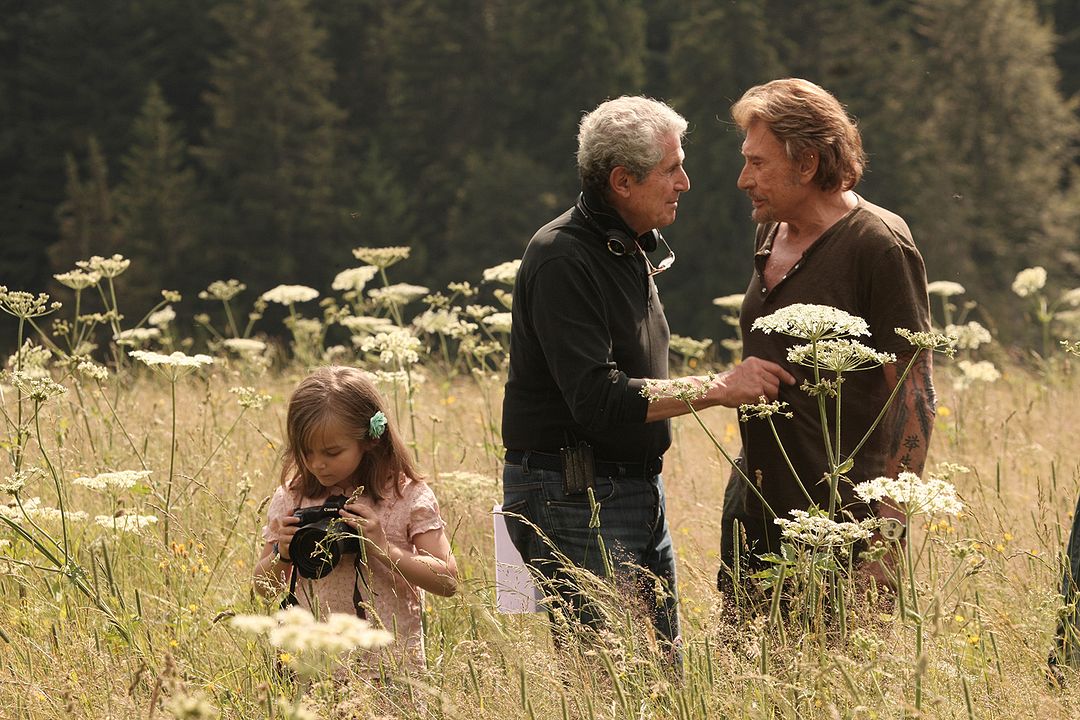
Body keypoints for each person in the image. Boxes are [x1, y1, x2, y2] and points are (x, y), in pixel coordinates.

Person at [501, 95, 794, 656]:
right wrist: (718, 388)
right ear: (622, 181)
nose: (685, 182)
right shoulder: (565, 258)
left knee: (655, 679)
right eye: (671, 169)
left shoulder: (623, 247)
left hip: (625, 485)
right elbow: (598, 399)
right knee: (613, 682)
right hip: (576, 493)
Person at [719, 78, 936, 592]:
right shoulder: (769, 231)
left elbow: (915, 395)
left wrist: (885, 544)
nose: (743, 179)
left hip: (842, 521)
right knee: (745, 668)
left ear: (808, 163)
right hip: (756, 509)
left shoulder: (879, 245)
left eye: (758, 162)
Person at [253, 366, 458, 672]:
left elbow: (448, 581)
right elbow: (263, 587)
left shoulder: (407, 496)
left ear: (371, 439)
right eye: (306, 453)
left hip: (391, 667)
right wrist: (283, 555)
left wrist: (383, 548)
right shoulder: (293, 497)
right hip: (314, 667)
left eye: (332, 452)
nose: (317, 464)